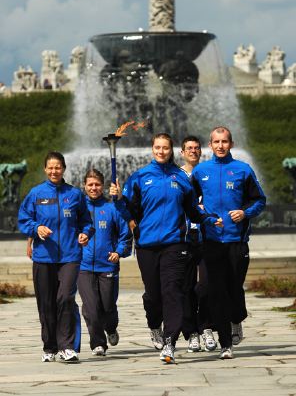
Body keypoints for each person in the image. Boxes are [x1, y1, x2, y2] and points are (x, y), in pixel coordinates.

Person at [110, 132, 223, 364]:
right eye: (157, 147)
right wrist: (119, 198)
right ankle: (154, 325)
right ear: (152, 149)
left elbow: (193, 210)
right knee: (153, 295)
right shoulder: (140, 177)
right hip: (147, 245)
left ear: (171, 150)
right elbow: (127, 210)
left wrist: (209, 219)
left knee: (173, 292)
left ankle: (170, 343)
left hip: (174, 244)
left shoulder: (181, 178)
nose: (161, 151)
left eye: (165, 148)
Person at [191, 126, 266, 360]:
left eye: (224, 142)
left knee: (234, 287)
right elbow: (189, 202)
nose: (220, 146)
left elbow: (260, 200)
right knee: (217, 291)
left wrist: (244, 213)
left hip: (237, 241)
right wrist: (201, 212)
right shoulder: (201, 171)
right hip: (212, 240)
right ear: (210, 145)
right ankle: (226, 343)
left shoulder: (243, 170)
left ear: (231, 144)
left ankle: (237, 319)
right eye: (216, 142)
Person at [18, 151, 94, 363]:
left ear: (64, 169)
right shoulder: (36, 194)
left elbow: (87, 222)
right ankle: (49, 346)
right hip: (44, 257)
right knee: (46, 303)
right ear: (45, 169)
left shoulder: (75, 194)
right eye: (50, 168)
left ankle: (67, 346)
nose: (54, 171)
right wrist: (36, 228)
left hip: (70, 255)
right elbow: (24, 220)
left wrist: (85, 233)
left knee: (66, 298)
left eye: (58, 167)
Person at [77, 169, 132, 357]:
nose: (94, 188)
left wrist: (119, 252)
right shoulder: (78, 208)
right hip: (83, 266)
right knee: (90, 307)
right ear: (84, 185)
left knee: (108, 306)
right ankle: (98, 343)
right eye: (90, 184)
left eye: (97, 184)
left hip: (107, 265)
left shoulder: (112, 209)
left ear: (103, 186)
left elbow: (125, 235)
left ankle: (111, 328)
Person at [180, 136, 217, 353]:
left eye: (196, 148)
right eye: (189, 148)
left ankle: (207, 327)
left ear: (201, 151)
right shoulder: (176, 175)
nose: (193, 151)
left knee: (205, 286)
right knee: (185, 288)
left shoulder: (207, 174)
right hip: (183, 237)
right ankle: (191, 332)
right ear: (182, 152)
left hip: (206, 236)